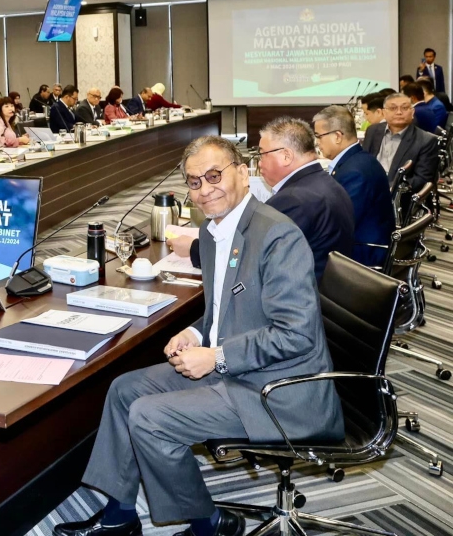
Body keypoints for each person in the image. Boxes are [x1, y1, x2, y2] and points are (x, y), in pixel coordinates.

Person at [55, 135, 342, 536]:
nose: (205, 190)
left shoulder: (277, 235)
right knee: (125, 390)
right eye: (194, 182)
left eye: (213, 176)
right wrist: (194, 331)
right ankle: (119, 515)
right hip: (240, 369)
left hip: (281, 389)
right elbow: (223, 310)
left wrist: (217, 356)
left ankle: (209, 525)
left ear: (244, 173)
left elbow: (296, 335)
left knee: (150, 417)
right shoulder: (212, 233)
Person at [255, 117, 354, 281]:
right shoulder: (327, 182)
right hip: (332, 289)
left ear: (286, 156)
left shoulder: (291, 200)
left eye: (262, 154)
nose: (260, 163)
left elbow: (254, 254)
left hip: (304, 297)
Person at [314, 106, 394, 267]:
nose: (317, 143)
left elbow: (339, 225)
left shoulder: (355, 172)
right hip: (362, 245)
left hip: (363, 255)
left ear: (337, 136)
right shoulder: (357, 160)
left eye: (319, 136)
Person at [364, 92, 439, 194]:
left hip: (398, 196)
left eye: (404, 108)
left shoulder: (426, 140)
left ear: (412, 112)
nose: (399, 112)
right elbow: (363, 161)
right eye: (393, 108)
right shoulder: (373, 130)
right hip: (367, 189)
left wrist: (390, 189)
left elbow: (422, 179)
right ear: (384, 113)